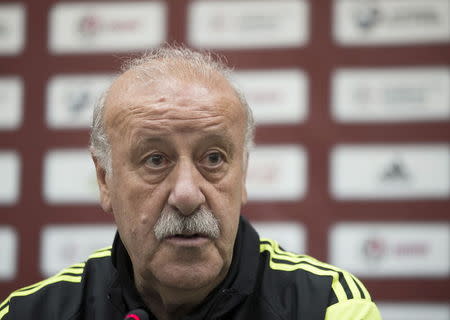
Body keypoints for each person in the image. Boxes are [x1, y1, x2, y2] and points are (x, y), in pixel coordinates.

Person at [0, 46, 382, 320]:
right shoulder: (29, 312)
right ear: (105, 180)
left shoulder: (327, 307)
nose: (186, 195)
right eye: (155, 160)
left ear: (243, 176)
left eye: (213, 159)